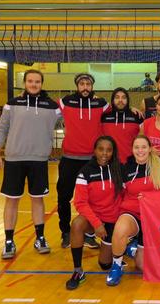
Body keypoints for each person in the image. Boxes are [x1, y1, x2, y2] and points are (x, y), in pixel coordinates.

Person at [0, 69, 60, 259]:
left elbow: (69, 118)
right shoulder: (12, 104)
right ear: (24, 83)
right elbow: (2, 128)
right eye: (30, 81)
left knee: (38, 199)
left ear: (42, 83)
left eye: (37, 81)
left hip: (39, 160)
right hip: (14, 159)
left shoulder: (51, 106)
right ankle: (8, 241)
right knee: (11, 200)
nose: (34, 84)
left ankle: (40, 238)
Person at [106, 135, 160, 286]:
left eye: (144, 147)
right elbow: (119, 193)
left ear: (150, 148)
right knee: (120, 229)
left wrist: (151, 198)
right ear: (132, 149)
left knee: (142, 266)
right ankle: (116, 266)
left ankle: (131, 249)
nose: (140, 151)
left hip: (153, 216)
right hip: (133, 212)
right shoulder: (125, 167)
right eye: (137, 147)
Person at [57, 73, 109, 249]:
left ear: (92, 86)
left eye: (88, 84)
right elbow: (46, 104)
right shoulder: (66, 102)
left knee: (93, 199)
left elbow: (118, 109)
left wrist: (135, 110)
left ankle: (88, 234)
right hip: (69, 159)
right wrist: (23, 95)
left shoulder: (101, 104)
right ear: (77, 86)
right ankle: (65, 232)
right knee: (63, 196)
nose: (85, 87)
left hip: (91, 161)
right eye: (82, 84)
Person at [66, 136, 123, 290]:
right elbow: (80, 203)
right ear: (94, 151)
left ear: (113, 152)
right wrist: (97, 224)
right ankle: (78, 271)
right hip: (93, 219)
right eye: (101, 149)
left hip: (112, 220)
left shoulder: (119, 169)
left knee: (105, 265)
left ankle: (123, 248)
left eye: (109, 150)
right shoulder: (85, 172)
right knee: (77, 224)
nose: (104, 153)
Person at [101, 87, 142, 163]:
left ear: (128, 100)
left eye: (123, 98)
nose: (120, 100)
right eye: (117, 97)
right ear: (112, 100)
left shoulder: (137, 116)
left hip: (132, 162)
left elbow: (144, 138)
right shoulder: (104, 116)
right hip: (109, 162)